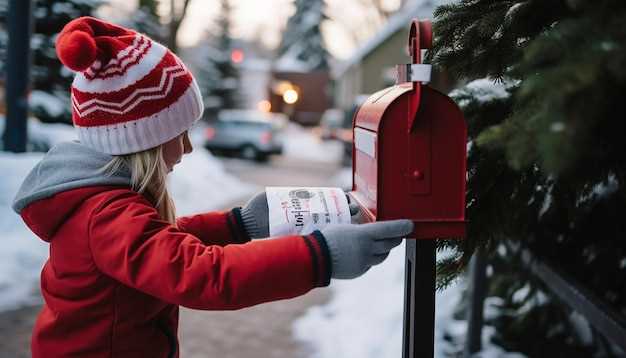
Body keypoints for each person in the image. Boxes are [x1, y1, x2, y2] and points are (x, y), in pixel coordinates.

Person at [12, 17, 414, 358]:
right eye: (180, 133)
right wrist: (319, 256)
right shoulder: (106, 214)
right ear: (142, 143)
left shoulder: (103, 204)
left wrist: (238, 224)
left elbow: (160, 245)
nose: (187, 147)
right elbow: (200, 274)